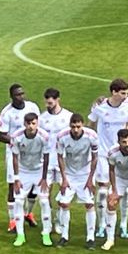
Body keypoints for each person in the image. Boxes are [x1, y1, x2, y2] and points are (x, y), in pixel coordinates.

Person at [86, 78, 128, 239]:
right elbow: (90, 127)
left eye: (127, 93)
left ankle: (123, 225)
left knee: (125, 190)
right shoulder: (99, 107)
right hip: (103, 154)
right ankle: (101, 225)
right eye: (123, 93)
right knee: (102, 192)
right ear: (113, 92)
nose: (126, 96)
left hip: (122, 154)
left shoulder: (127, 107)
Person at [0, 84, 42, 232]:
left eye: (22, 93)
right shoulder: (6, 113)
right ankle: (12, 220)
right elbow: (1, 135)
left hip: (33, 152)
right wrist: (17, 141)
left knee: (35, 185)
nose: (21, 97)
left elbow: (39, 127)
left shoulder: (32, 107)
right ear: (11, 96)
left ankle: (28, 213)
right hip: (14, 153)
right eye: (17, 95)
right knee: (13, 185)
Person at [55, 113, 100, 249]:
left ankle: (90, 238)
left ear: (83, 125)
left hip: (85, 173)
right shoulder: (62, 137)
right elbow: (60, 158)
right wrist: (64, 179)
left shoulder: (91, 136)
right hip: (69, 173)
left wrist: (90, 179)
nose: (75, 130)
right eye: (73, 126)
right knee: (64, 203)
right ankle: (64, 236)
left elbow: (95, 157)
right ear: (70, 125)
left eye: (78, 126)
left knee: (89, 204)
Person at [9, 112, 52, 247]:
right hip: (23, 171)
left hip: (39, 171)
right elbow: (15, 157)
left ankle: (46, 234)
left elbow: (46, 157)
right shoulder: (17, 137)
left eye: (33, 123)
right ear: (24, 124)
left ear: (37, 123)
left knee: (44, 201)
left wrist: (44, 178)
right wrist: (16, 178)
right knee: (19, 201)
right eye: (28, 124)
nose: (31, 126)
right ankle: (20, 235)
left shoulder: (44, 137)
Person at [37, 87, 73, 237]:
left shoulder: (68, 116)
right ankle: (48, 223)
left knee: (64, 192)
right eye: (47, 103)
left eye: (51, 102)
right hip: (46, 161)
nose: (49, 105)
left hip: (63, 161)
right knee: (45, 195)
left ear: (58, 99)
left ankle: (59, 221)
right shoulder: (41, 118)